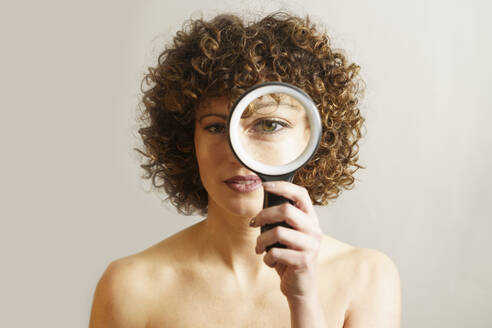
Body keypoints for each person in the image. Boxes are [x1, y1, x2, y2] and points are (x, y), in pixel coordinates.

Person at [89, 11, 401, 328]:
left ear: (311, 134)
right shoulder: (129, 287)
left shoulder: (367, 278)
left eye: (268, 124)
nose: (237, 155)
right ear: (187, 139)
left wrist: (304, 298)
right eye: (215, 127)